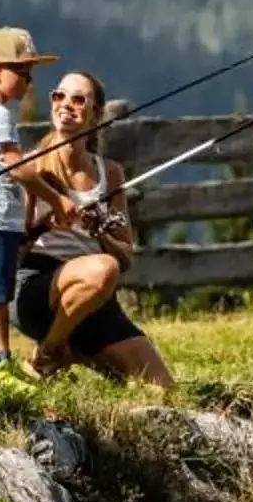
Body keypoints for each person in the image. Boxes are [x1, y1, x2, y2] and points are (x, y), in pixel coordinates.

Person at [15, 68, 175, 387]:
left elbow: (127, 256)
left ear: (96, 114)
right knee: (102, 269)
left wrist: (100, 232)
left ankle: (76, 351)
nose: (66, 104)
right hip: (37, 288)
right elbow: (13, 250)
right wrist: (44, 225)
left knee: (163, 389)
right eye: (59, 96)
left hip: (96, 295)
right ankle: (50, 351)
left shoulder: (111, 173)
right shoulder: (29, 167)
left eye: (78, 99)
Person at [0, 26, 57, 382]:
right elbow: (14, 165)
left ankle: (3, 359)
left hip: (1, 221)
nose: (28, 82)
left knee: (1, 294)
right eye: (22, 72)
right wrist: (56, 200)